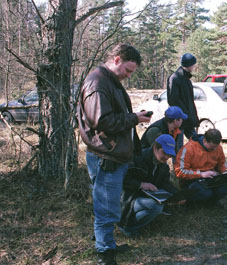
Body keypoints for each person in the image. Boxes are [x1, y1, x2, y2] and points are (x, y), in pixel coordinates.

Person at [77, 43, 151, 265]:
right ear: (116, 59)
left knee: (107, 204)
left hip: (111, 153)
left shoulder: (109, 81)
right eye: (128, 70)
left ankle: (106, 244)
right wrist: (134, 119)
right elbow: (102, 121)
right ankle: (104, 255)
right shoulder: (98, 83)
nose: (128, 75)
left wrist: (133, 117)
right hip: (106, 156)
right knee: (106, 207)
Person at [119, 135, 180, 237]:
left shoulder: (163, 166)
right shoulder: (138, 158)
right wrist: (141, 185)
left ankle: (132, 223)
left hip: (143, 197)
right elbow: (123, 179)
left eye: (169, 155)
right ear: (155, 147)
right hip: (128, 198)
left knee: (158, 205)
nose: (166, 157)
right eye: (164, 153)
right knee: (155, 206)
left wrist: (177, 195)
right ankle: (128, 227)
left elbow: (164, 183)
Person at [175, 129, 227, 205]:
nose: (214, 149)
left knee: (223, 190)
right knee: (205, 193)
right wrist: (201, 174)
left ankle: (210, 201)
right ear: (205, 140)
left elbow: (222, 162)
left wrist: (224, 172)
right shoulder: (189, 148)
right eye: (212, 148)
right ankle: (192, 202)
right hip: (192, 179)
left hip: (210, 177)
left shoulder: (218, 147)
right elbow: (179, 171)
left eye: (216, 147)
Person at [167, 53, 199, 151]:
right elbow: (173, 100)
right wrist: (183, 115)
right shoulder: (175, 78)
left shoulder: (187, 79)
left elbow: (190, 102)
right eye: (193, 64)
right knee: (177, 146)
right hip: (178, 120)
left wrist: (194, 117)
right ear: (189, 65)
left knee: (196, 142)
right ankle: (178, 166)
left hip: (188, 119)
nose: (194, 67)